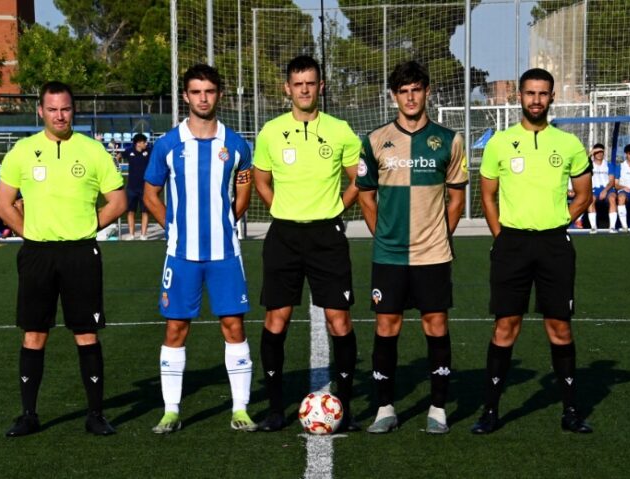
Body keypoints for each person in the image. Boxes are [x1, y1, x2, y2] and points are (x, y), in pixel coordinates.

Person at [0, 80, 127, 437]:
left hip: (80, 253)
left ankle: (96, 414)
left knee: (86, 333)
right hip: (37, 252)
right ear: (40, 110)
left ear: (74, 109)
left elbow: (118, 201)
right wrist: (30, 231)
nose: (59, 115)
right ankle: (27, 414)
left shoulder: (93, 150)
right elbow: (2, 203)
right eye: (52, 109)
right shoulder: (22, 151)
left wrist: (88, 226)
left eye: (65, 108)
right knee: (34, 333)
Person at [472, 68, 593, 434]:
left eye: (543, 93)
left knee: (559, 327)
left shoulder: (569, 144)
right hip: (512, 244)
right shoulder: (500, 143)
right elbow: (488, 196)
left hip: (554, 245)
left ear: (551, 97)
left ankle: (571, 412)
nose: (536, 100)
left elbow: (584, 194)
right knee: (505, 326)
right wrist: (500, 236)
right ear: (519, 97)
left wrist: (559, 221)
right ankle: (490, 412)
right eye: (530, 93)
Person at [143, 64, 256, 434]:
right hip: (181, 254)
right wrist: (174, 226)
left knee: (232, 324)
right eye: (196, 92)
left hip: (225, 253)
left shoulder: (236, 145)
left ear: (219, 94)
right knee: (176, 328)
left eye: (209, 91)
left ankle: (240, 408)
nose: (203, 98)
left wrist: (224, 222)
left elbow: (243, 192)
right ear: (186, 96)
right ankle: (171, 410)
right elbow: (150, 194)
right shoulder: (168, 144)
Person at [356, 61, 468, 435]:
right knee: (387, 326)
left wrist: (440, 236)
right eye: (403, 91)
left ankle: (437, 408)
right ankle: (385, 407)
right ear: (393, 96)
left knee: (435, 325)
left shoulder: (449, 140)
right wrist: (382, 235)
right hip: (389, 254)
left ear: (427, 92)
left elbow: (456, 200)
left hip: (433, 255)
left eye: (416, 89)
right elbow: (366, 197)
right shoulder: (374, 140)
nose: (410, 97)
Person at [253, 55, 361, 432]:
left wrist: (335, 209)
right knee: (276, 320)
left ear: (321, 87)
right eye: (297, 83)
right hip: (283, 236)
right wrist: (280, 208)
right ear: (287, 88)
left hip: (326, 237)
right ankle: (275, 409)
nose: (304, 89)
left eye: (310, 83)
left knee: (339, 320)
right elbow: (261, 180)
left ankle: (344, 409)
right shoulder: (269, 131)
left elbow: (358, 179)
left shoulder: (341, 130)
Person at [124, 133, 151, 240]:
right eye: (144, 142)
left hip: (145, 187)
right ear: (138, 143)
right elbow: (117, 157)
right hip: (131, 187)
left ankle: (143, 235)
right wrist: (116, 169)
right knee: (131, 211)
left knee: (145, 211)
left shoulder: (149, 151)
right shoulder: (129, 151)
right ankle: (131, 234)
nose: (146, 144)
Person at [585, 143, 617, 233]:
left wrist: (605, 190)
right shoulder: (588, 164)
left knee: (612, 198)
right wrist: (591, 152)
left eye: (601, 152)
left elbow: (611, 181)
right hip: (594, 190)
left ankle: (612, 227)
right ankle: (593, 227)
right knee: (590, 200)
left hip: (607, 189)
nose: (599, 154)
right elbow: (581, 160)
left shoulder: (609, 165)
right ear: (594, 153)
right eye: (597, 152)